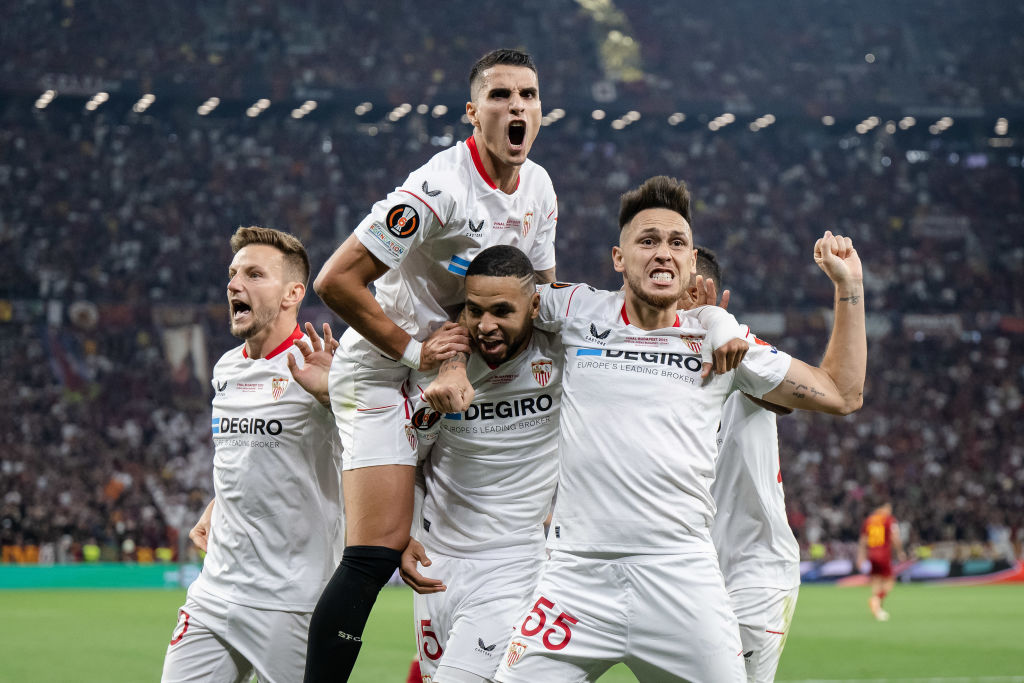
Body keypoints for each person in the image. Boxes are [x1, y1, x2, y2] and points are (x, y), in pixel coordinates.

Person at [493, 175, 866, 682]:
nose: (662, 253)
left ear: (691, 264)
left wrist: (849, 287)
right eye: (647, 241)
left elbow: (842, 393)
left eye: (676, 243)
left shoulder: (723, 342)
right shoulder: (577, 308)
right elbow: (491, 296)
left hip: (681, 578)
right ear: (618, 258)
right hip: (576, 580)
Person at [305, 48, 558, 681]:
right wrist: (417, 351)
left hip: (451, 364)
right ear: (473, 112)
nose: (516, 106)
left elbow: (544, 300)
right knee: (376, 551)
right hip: (384, 367)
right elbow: (334, 281)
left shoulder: (540, 187)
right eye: (500, 95)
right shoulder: (438, 190)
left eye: (527, 95)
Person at [160, 226, 344, 683]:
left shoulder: (324, 368)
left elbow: (374, 450)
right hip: (214, 591)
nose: (234, 284)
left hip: (291, 601)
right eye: (233, 274)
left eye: (254, 274)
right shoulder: (226, 366)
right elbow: (246, 455)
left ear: (292, 294)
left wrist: (337, 396)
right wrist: (217, 504)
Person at [400, 245, 562, 683]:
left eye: (502, 311)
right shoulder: (435, 365)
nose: (486, 325)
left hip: (512, 565)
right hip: (435, 564)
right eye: (475, 310)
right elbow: (409, 462)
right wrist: (406, 532)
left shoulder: (560, 355)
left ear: (534, 307)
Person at [682, 248, 801, 683]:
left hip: (753, 571)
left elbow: (788, 400)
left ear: (702, 293)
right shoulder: (649, 364)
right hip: (688, 572)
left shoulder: (737, 348)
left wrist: (716, 331)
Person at [856, 502, 906, 621]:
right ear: (884, 507)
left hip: (872, 555)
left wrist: (861, 557)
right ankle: (876, 600)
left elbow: (863, 540)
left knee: (876, 581)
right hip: (883, 555)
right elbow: (894, 537)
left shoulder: (869, 520)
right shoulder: (889, 520)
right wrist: (900, 552)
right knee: (889, 582)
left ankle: (878, 609)